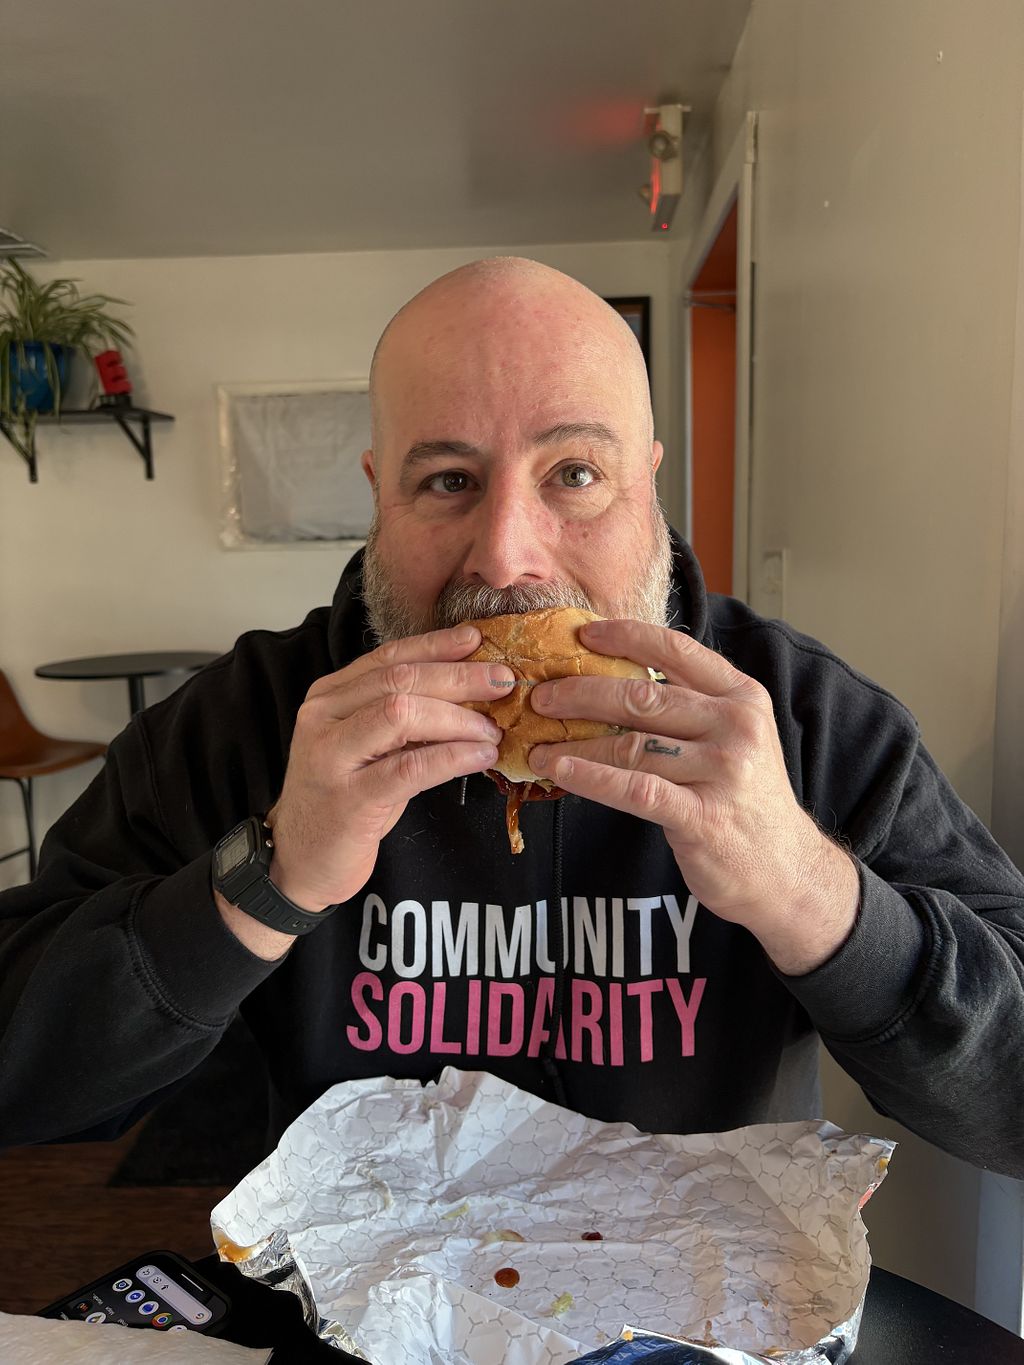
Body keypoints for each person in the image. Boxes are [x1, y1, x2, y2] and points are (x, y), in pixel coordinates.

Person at [1, 258, 1022, 1178]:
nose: (506, 556)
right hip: (348, 1292)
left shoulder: (801, 721)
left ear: (649, 483)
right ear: (380, 495)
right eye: (448, 480)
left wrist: (810, 891)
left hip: (701, 1291)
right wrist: (265, 878)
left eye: (574, 474)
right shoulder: (243, 723)